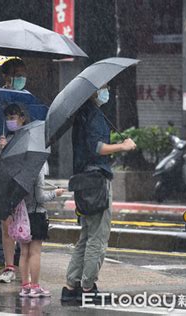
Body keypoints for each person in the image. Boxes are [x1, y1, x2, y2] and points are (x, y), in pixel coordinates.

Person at [61, 85, 136, 302]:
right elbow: (98, 148)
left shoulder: (83, 113)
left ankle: (72, 284)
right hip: (96, 181)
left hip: (85, 180)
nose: (108, 91)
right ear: (94, 91)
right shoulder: (93, 115)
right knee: (98, 237)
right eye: (104, 87)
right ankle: (88, 288)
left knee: (86, 236)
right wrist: (123, 146)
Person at [0, 58, 28, 271]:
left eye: (24, 74)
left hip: (20, 162)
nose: (22, 78)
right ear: (7, 76)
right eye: (18, 74)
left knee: (19, 211)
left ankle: (19, 251)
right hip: (1, 160)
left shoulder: (26, 99)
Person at [0, 102, 28, 283]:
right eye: (7, 118)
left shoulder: (28, 137)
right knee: (6, 228)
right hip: (5, 188)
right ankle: (9, 266)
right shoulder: (4, 138)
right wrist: (0, 149)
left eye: (13, 118)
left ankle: (25, 264)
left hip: (21, 188)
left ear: (22, 118)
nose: (10, 121)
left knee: (23, 229)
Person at [19, 166, 65, 298]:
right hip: (36, 215)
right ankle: (35, 286)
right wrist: (55, 193)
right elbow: (40, 198)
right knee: (35, 253)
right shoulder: (36, 170)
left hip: (23, 216)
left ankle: (25, 286)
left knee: (24, 253)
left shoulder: (19, 170)